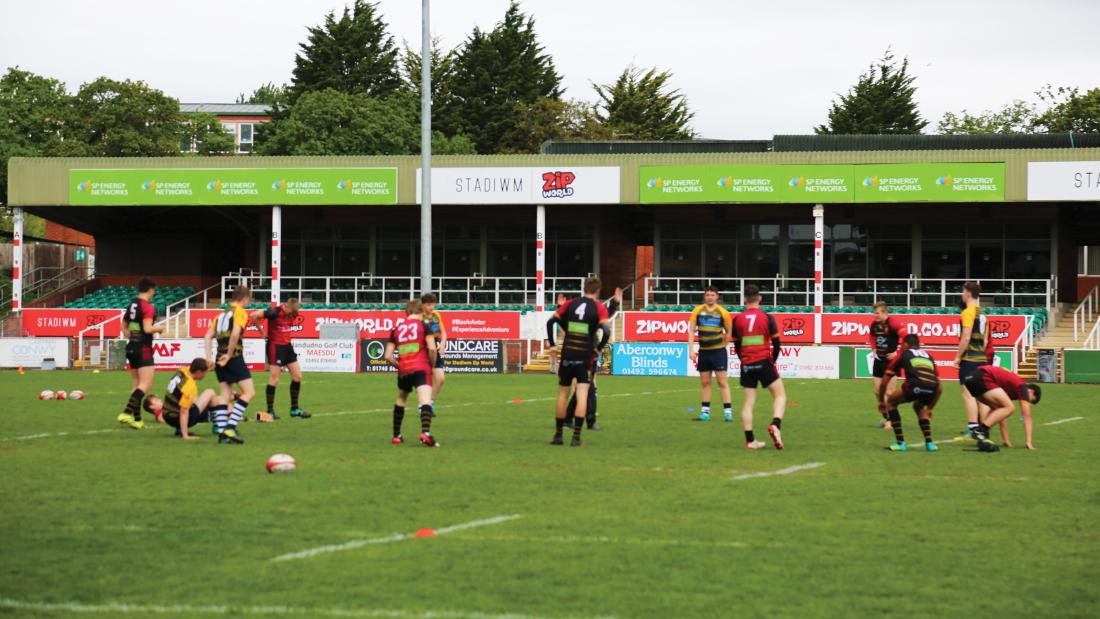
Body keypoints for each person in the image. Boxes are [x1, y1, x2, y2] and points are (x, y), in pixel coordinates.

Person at [546, 277, 610, 447]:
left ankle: (558, 436)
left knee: (562, 394)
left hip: (567, 353)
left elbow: (551, 321)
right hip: (584, 355)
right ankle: (576, 438)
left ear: (583, 288)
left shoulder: (571, 303)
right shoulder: (598, 307)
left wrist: (553, 344)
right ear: (598, 291)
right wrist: (599, 348)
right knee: (582, 393)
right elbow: (606, 330)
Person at [731, 284, 786, 450]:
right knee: (780, 395)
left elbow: (737, 345)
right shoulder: (767, 317)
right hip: (763, 361)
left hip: (747, 364)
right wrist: (773, 361)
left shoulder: (737, 319)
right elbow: (777, 344)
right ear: (760, 298)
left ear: (744, 299)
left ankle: (750, 440)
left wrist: (744, 360)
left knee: (748, 403)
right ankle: (775, 424)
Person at [565, 287, 623, 431]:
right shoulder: (593, 309)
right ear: (596, 291)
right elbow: (605, 321)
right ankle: (589, 420)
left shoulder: (576, 308)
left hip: (576, 350)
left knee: (584, 386)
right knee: (588, 386)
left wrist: (615, 303)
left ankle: (568, 418)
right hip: (587, 352)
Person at [203, 285, 254, 444]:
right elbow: (235, 334)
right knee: (249, 393)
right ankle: (230, 427)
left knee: (225, 396)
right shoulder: (240, 312)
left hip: (219, 359)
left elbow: (207, 336)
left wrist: (208, 357)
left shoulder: (220, 315)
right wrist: (230, 354)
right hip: (233, 357)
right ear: (245, 298)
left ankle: (221, 430)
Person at [386, 298, 439, 447]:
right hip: (421, 368)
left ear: (406, 312)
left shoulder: (396, 329)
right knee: (425, 400)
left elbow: (387, 356)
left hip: (404, 370)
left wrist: (399, 366)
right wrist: (432, 366)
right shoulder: (424, 326)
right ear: (421, 311)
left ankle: (396, 435)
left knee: (401, 399)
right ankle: (425, 433)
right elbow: (432, 348)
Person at [877, 334, 942, 452]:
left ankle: (900, 443)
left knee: (891, 403)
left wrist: (881, 401)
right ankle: (930, 444)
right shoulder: (928, 356)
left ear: (905, 344)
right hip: (933, 387)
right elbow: (939, 386)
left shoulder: (903, 354)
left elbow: (884, 382)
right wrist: (930, 409)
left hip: (915, 385)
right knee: (919, 406)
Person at [116, 277, 166, 430]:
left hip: (131, 347)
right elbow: (147, 329)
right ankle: (126, 413)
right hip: (143, 348)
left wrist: (130, 335)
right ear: (151, 289)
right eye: (154, 290)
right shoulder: (148, 307)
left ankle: (137, 420)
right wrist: (160, 328)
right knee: (146, 384)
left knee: (136, 385)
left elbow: (123, 324)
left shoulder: (132, 304)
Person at [251, 297, 310, 421]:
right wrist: (261, 331)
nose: (291, 316)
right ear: (286, 307)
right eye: (290, 313)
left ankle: (294, 409)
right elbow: (254, 315)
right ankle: (270, 411)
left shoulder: (294, 313)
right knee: (274, 378)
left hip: (287, 346)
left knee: (297, 376)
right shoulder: (274, 312)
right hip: (275, 346)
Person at [141, 358, 226, 440]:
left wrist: (207, 365)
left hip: (167, 415)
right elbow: (184, 411)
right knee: (210, 393)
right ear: (199, 372)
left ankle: (180, 429)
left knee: (199, 399)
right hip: (177, 418)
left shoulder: (182, 371)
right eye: (205, 372)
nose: (206, 374)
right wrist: (186, 435)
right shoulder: (189, 386)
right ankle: (217, 426)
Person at [962, 365, 1041, 452]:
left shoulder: (1011, 388)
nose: (1028, 401)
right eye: (1031, 400)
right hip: (982, 377)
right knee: (1010, 407)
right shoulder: (1022, 387)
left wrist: (1006, 440)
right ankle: (980, 431)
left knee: (1000, 408)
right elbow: (1027, 416)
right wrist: (1029, 442)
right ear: (1031, 392)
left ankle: (983, 437)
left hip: (970, 379)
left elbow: (1001, 415)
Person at [688, 286, 734, 422]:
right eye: (707, 294)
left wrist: (723, 345)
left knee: (722, 382)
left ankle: (728, 412)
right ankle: (705, 412)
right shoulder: (697, 311)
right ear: (704, 296)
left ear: (717, 296)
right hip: (703, 352)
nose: (710, 297)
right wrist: (691, 349)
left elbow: (729, 331)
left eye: (712, 295)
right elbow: (691, 331)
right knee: (705, 382)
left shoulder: (723, 312)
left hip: (718, 352)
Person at [954, 282, 990, 441]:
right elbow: (986, 341)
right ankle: (983, 429)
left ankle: (972, 429)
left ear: (968, 293)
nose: (962, 295)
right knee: (981, 395)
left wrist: (957, 356)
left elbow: (966, 336)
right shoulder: (983, 314)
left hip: (969, 359)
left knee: (968, 394)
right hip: (982, 358)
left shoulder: (968, 312)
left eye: (963, 291)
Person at [868, 301, 908, 429]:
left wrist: (898, 353)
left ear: (885, 312)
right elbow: (871, 336)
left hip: (891, 363)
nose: (875, 315)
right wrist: (873, 348)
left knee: (890, 392)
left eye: (877, 313)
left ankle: (891, 420)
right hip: (879, 361)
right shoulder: (874, 325)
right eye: (874, 313)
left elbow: (906, 337)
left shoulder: (893, 323)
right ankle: (887, 418)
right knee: (877, 391)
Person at [420, 293, 446, 415]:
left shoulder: (436, 315)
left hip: (434, 347)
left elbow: (443, 332)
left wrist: (443, 343)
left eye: (433, 304)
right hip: (422, 347)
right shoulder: (419, 317)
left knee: (440, 379)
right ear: (423, 305)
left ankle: (429, 402)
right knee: (423, 380)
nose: (432, 307)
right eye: (429, 304)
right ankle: (423, 405)